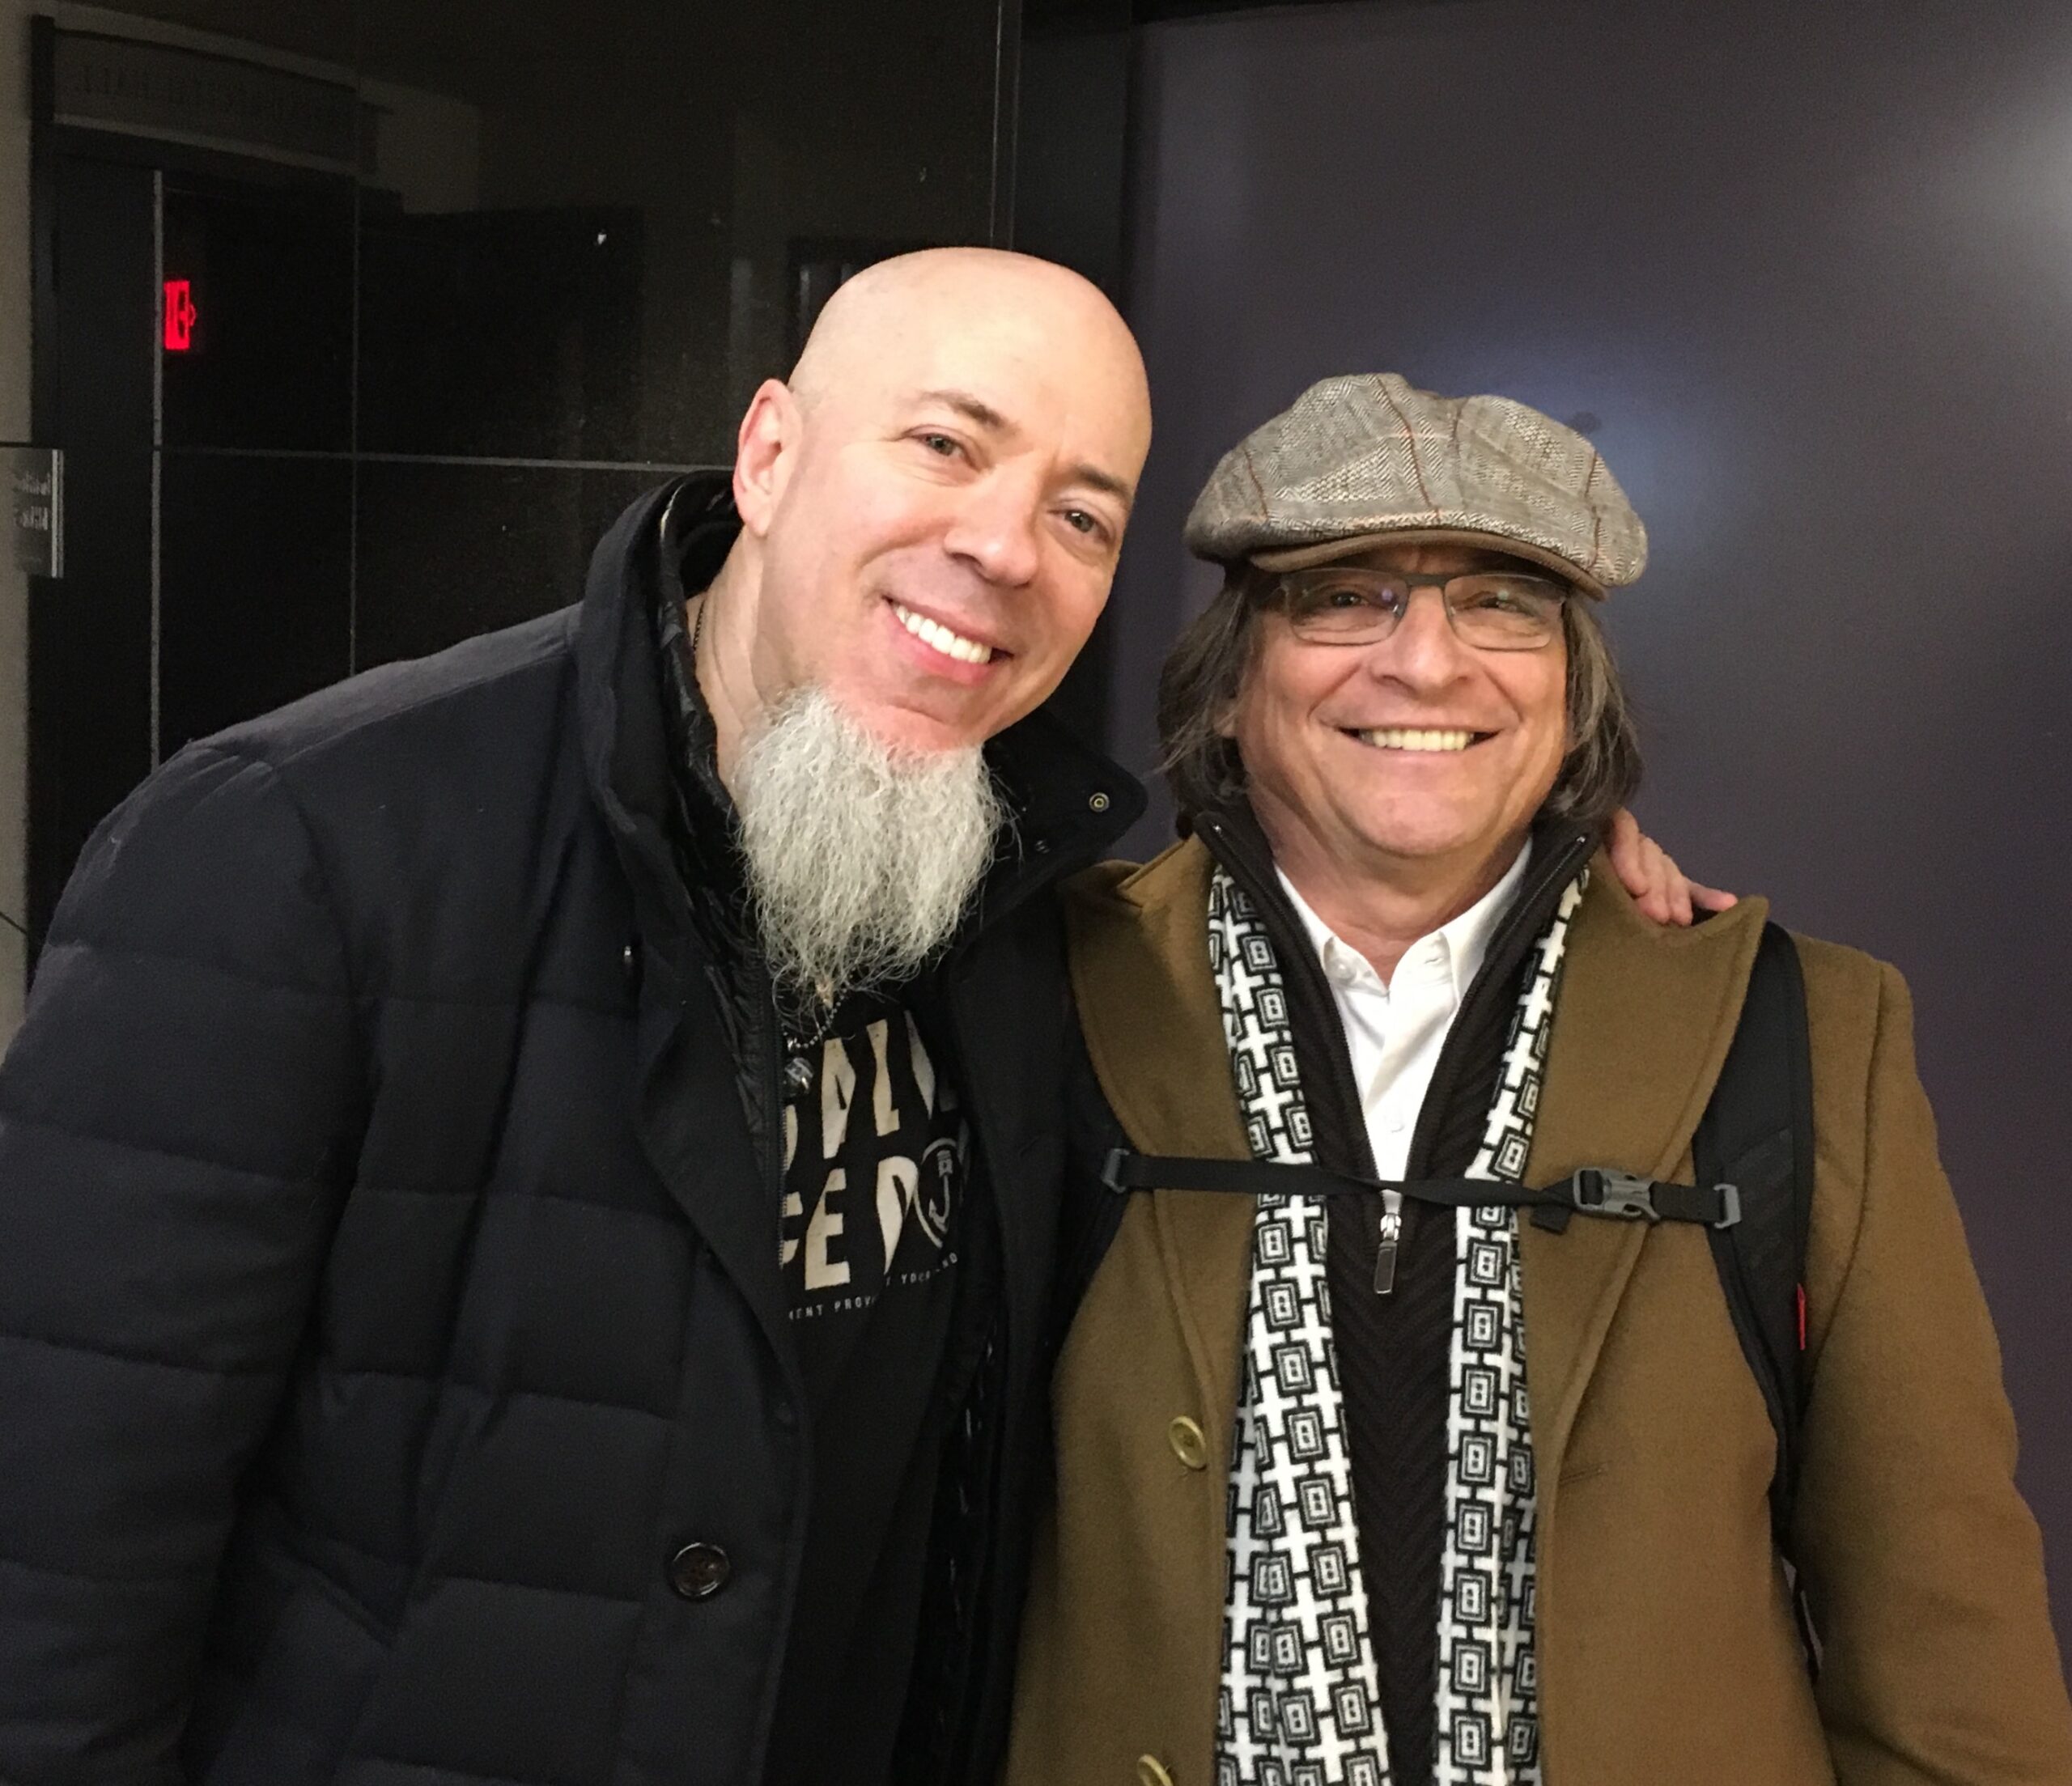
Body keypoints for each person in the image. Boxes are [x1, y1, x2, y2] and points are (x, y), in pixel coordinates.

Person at [0, 251, 1705, 1786]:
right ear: (765, 453)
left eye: (1082, 514)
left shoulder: (1017, 898)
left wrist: (1544, 848)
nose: (998, 546)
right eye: (945, 446)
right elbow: (56, 1547)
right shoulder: (300, 842)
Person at [1004, 375, 2072, 1786]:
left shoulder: (1799, 1034)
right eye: (1342, 595)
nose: (1429, 665)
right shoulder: (1035, 1002)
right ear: (1230, 682)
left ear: (1572, 695)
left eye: (1505, 602)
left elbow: (1946, 1642)